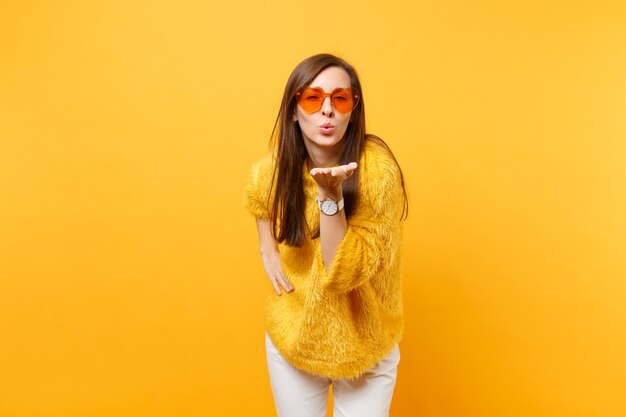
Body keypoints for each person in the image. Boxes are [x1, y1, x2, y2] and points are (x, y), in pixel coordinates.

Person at [245, 53, 409, 417]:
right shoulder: (280, 167)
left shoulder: (378, 174)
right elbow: (258, 191)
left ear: (353, 108)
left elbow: (343, 272)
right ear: (293, 109)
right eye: (312, 98)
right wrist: (266, 248)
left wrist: (330, 199)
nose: (327, 110)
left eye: (340, 98)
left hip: (366, 347)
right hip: (296, 339)